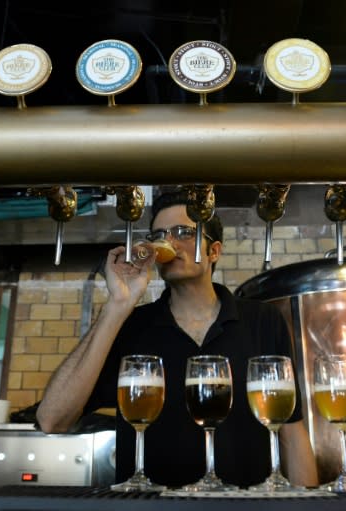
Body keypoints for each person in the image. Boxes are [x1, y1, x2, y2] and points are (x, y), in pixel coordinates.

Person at [36, 189, 318, 489]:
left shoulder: (263, 320)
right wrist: (118, 304)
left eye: (184, 232)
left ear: (214, 251)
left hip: (245, 505)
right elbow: (53, 419)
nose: (168, 242)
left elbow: (291, 431)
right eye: (159, 234)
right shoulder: (131, 325)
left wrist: (307, 504)